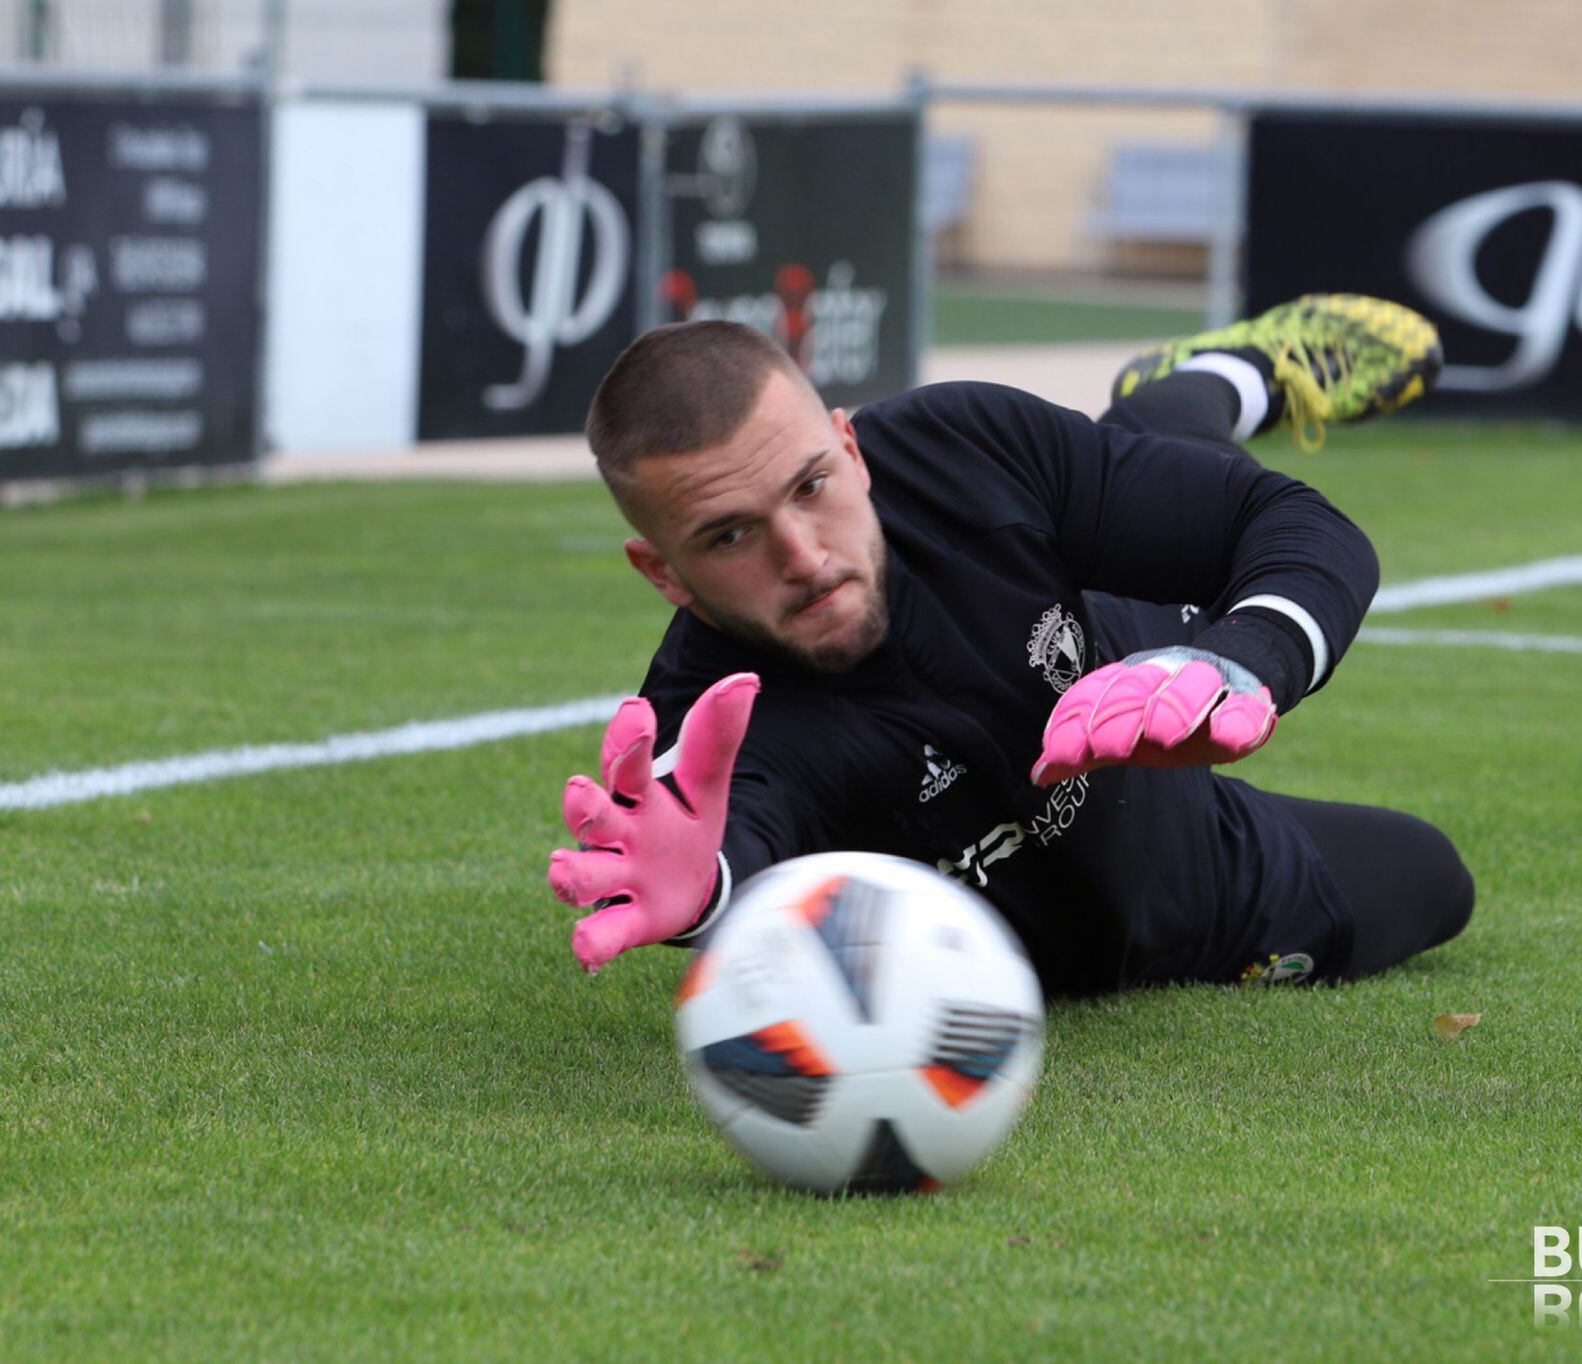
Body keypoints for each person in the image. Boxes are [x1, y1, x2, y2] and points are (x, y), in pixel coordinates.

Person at [547, 295, 1474, 995]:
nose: (805, 555)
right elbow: (732, 836)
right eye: (728, 536)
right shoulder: (709, 729)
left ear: (852, 448)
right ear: (662, 571)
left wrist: (1242, 664)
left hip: (1138, 704)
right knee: (1429, 869)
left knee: (1181, 497)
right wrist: (706, 895)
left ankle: (1212, 382)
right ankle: (1162, 416)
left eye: (811, 486)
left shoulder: (964, 450)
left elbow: (1292, 526)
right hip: (1073, 934)